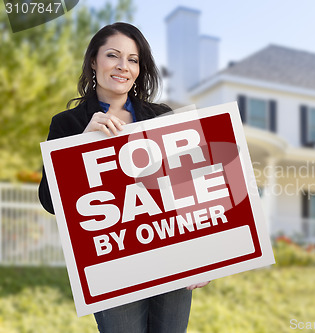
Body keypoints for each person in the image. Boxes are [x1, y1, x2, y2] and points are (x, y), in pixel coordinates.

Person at [38, 22, 209, 333]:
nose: (123, 66)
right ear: (93, 61)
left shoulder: (160, 116)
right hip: (112, 264)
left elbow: (185, 189)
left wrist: (200, 258)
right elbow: (50, 201)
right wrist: (80, 145)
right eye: (113, 55)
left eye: (132, 59)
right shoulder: (68, 123)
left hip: (171, 255)